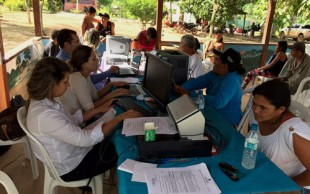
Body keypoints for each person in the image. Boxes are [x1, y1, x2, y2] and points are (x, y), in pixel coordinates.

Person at [26, 57, 141, 182]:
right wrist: (120, 118)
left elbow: (72, 120)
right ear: (52, 84)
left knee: (113, 137)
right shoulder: (45, 116)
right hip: (71, 167)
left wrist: (98, 110)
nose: (68, 84)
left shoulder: (44, 101)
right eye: (65, 82)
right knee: (123, 151)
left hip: (73, 152)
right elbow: (86, 140)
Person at [252, 79, 310, 189]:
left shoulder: (293, 133)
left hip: (293, 187)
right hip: (265, 176)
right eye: (254, 103)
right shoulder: (260, 117)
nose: (256, 110)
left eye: (263, 107)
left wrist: (282, 185)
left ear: (281, 109)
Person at [173, 48, 245, 126]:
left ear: (225, 66)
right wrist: (182, 88)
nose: (214, 62)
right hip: (213, 115)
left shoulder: (232, 81)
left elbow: (218, 103)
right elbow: (198, 82)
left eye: (217, 60)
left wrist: (190, 94)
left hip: (227, 124)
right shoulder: (215, 73)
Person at [60, 45, 129, 114]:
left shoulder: (85, 75)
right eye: (93, 59)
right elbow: (90, 109)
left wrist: (110, 85)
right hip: (78, 121)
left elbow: (95, 96)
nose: (97, 60)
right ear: (83, 63)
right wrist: (112, 94)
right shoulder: (77, 78)